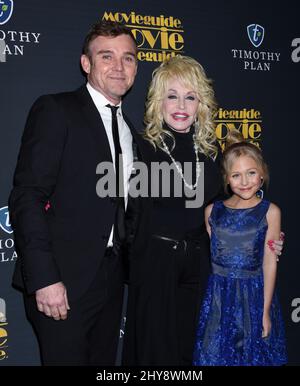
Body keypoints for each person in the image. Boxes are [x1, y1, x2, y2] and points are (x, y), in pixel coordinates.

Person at [9, 20, 139, 366]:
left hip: (112, 280)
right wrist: (45, 278)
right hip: (61, 280)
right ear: (86, 63)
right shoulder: (57, 110)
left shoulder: (131, 132)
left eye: (128, 58)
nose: (118, 67)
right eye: (107, 56)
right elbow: (28, 196)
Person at [122, 55, 223, 366]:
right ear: (158, 102)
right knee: (156, 355)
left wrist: (267, 235)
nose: (181, 105)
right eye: (172, 95)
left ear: (200, 104)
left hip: (199, 267)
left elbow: (224, 212)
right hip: (155, 266)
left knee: (194, 353)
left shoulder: (210, 153)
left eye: (190, 97)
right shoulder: (141, 148)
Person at [193, 131, 287, 366]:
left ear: (262, 174)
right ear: (226, 179)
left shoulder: (270, 212)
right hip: (218, 298)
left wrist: (264, 311)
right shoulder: (212, 212)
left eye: (251, 173)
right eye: (236, 175)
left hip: (253, 297)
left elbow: (269, 261)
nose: (244, 182)